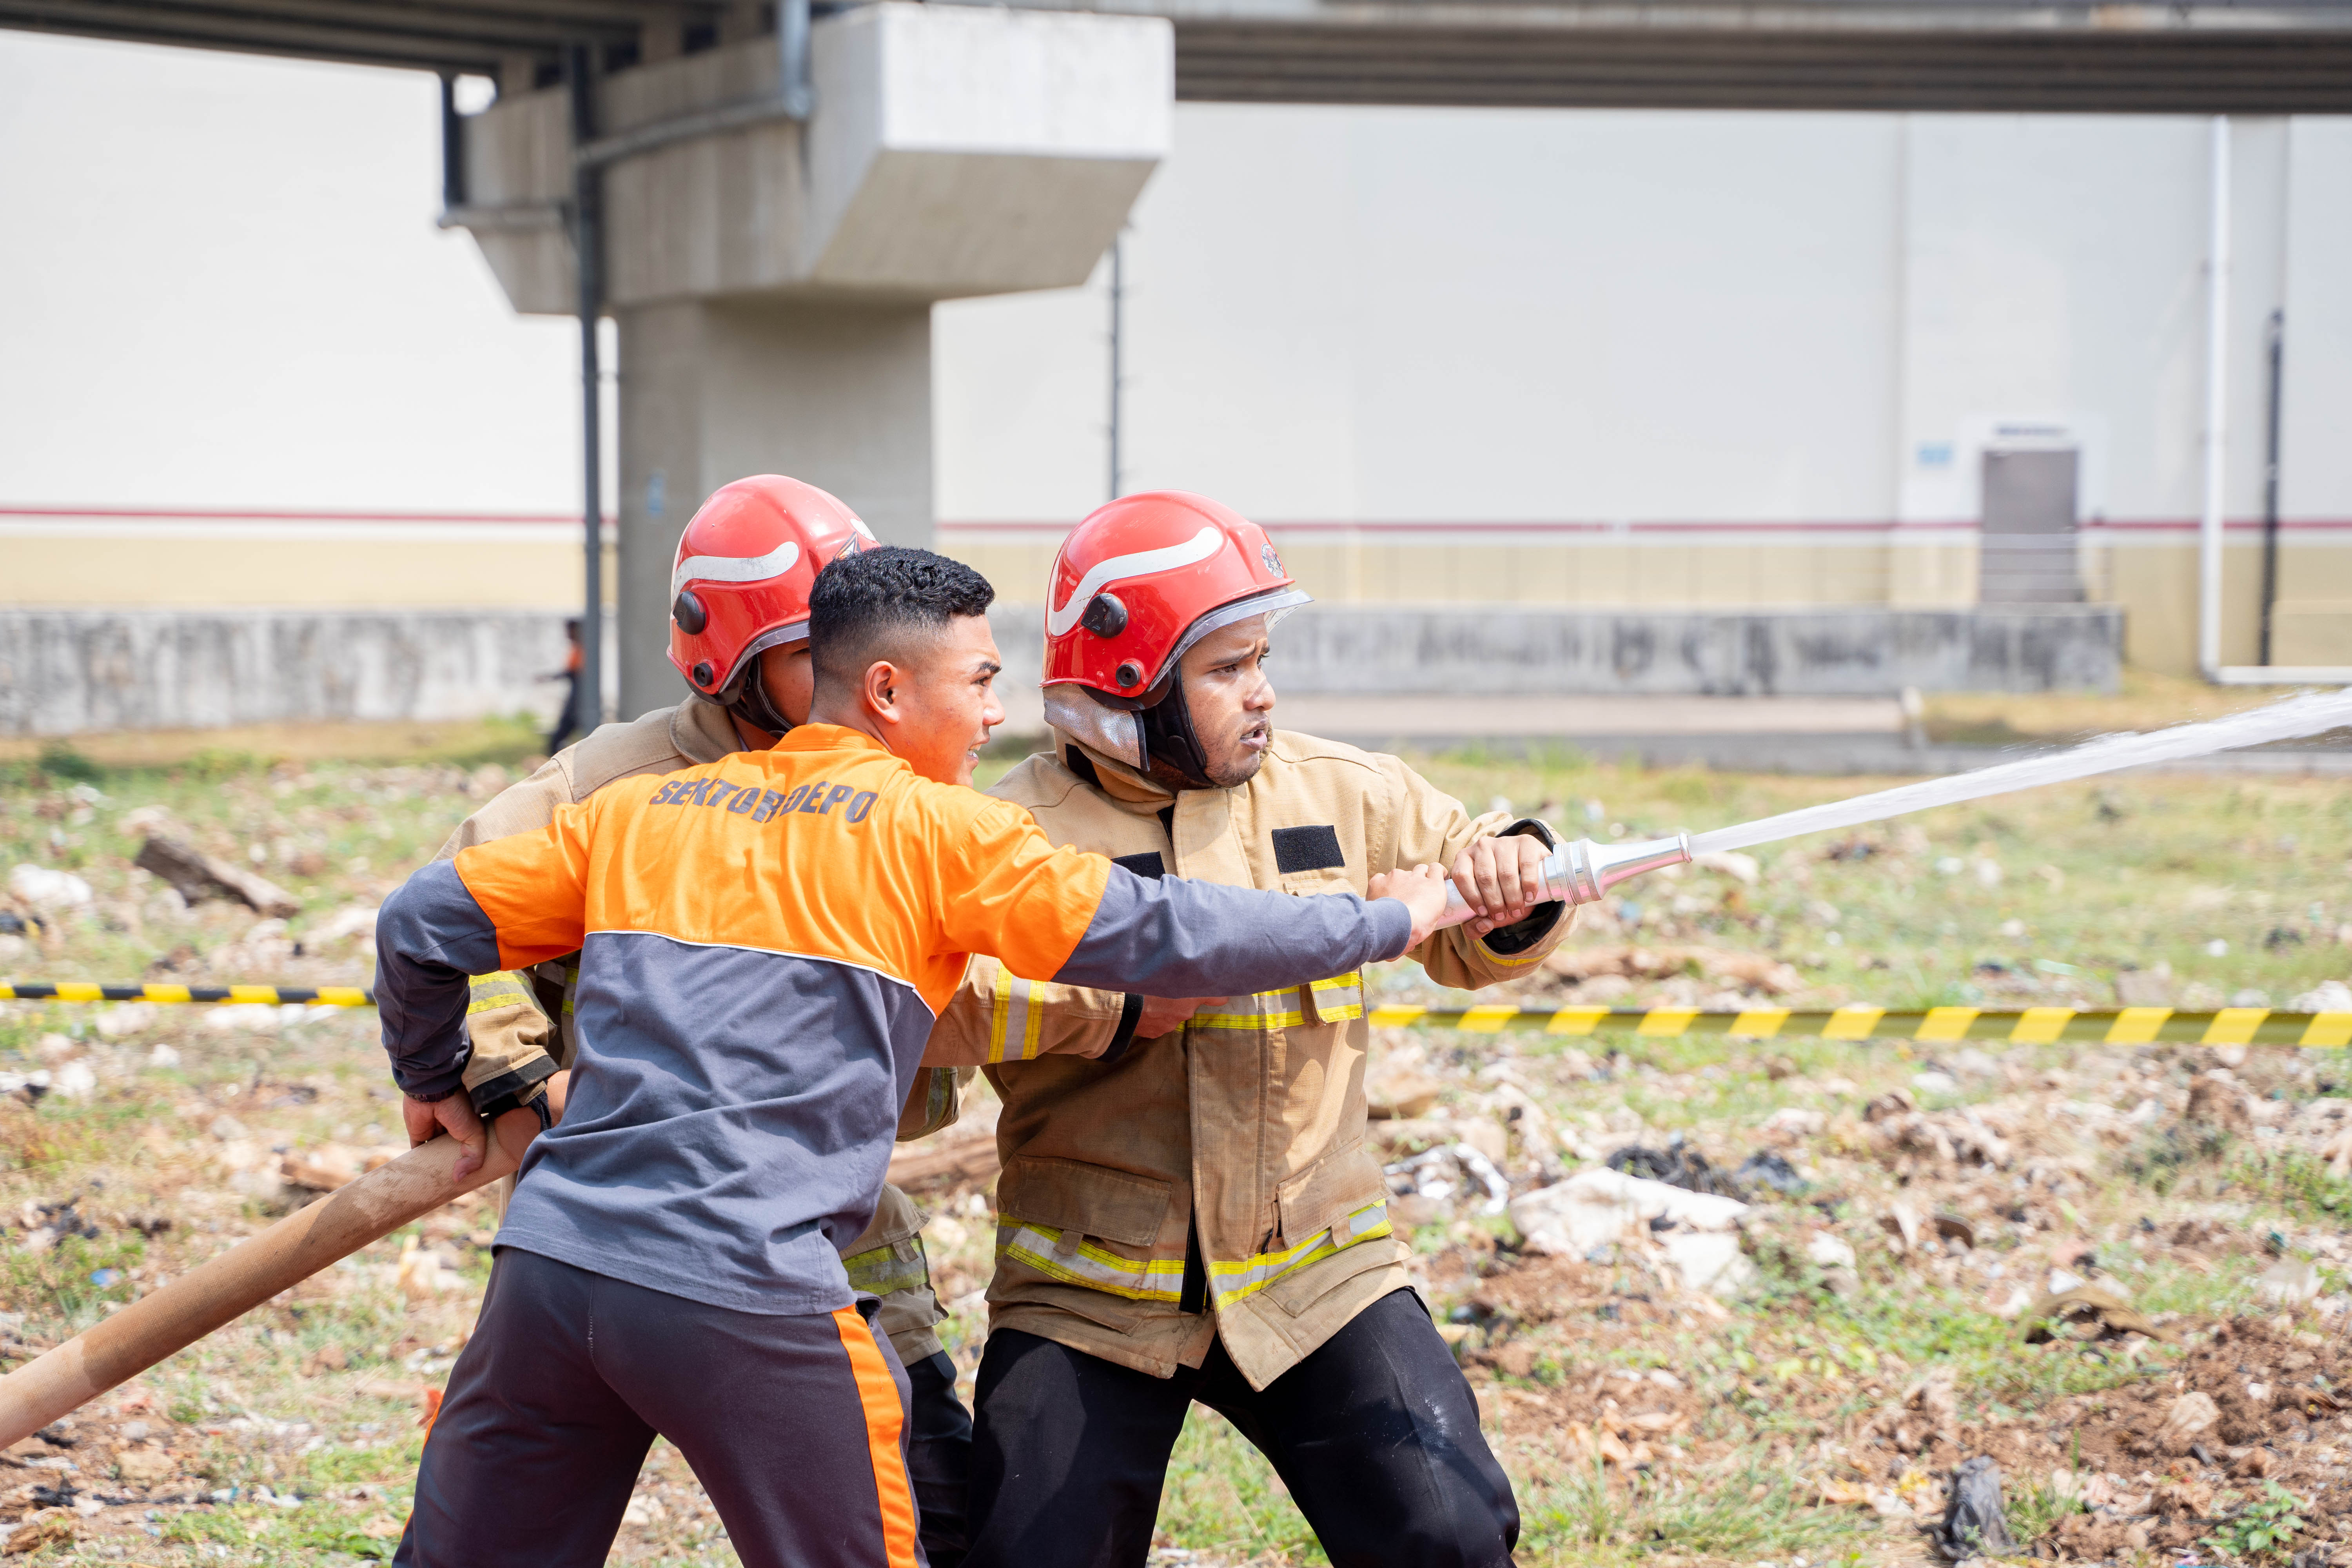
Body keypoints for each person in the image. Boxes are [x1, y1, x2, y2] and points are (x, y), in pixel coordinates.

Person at [374, 543, 1458, 1568]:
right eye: (980, 681)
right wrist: (1386, 922)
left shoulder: (638, 812)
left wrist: (430, 1075)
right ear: (888, 691)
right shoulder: (938, 835)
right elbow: (1174, 933)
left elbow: (419, 924)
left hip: (550, 1279)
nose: (997, 713)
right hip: (750, 1290)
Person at [922, 492, 1575, 1568]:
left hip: (1319, 1278)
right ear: (1132, 682)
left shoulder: (1346, 792)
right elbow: (941, 1004)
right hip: (1091, 1296)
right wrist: (1121, 1000)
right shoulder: (1004, 834)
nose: (1262, 692)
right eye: (1227, 669)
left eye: (1262, 658)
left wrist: (1517, 874)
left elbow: (1473, 894)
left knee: (1450, 1536)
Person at [427, 475, 980, 1564]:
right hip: (634, 1221)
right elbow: (446, 921)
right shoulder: (608, 784)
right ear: (726, 659)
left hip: (835, 1229)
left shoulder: (900, 782)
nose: (855, 671)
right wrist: (515, 1078)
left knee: (937, 1511)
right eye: (813, 650)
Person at [543, 617, 587, 754]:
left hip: (580, 697)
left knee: (565, 728)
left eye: (570, 631)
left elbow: (575, 673)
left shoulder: (584, 649)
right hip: (576, 694)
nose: (568, 635)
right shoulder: (577, 648)